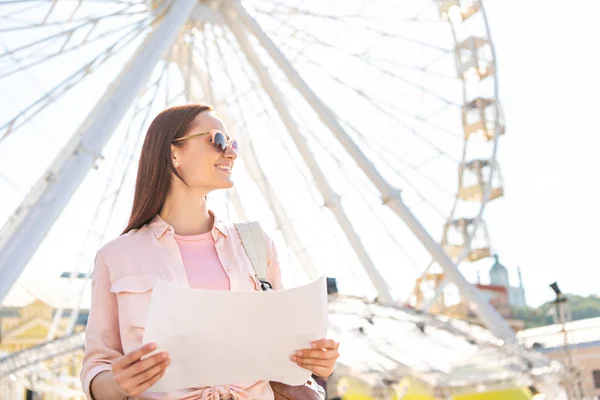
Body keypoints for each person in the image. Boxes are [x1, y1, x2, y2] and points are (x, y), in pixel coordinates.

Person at [80, 104, 340, 400]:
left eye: (233, 144)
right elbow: (97, 366)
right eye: (217, 140)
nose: (230, 152)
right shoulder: (116, 257)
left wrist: (314, 361)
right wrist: (118, 382)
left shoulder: (256, 245)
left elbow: (281, 354)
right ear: (173, 153)